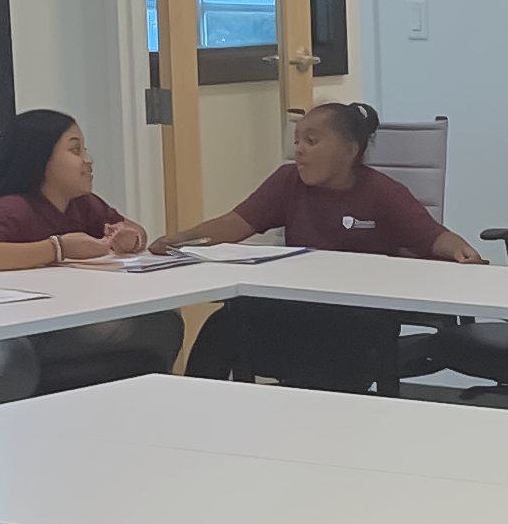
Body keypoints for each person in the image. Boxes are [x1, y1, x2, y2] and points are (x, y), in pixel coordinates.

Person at [160, 99, 483, 395]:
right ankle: (194, 404)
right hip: (297, 302)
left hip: (354, 313)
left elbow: (431, 236)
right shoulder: (287, 182)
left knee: (327, 351)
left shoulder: (384, 192)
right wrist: (180, 239)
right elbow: (235, 223)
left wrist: (461, 251)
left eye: (312, 142)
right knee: (225, 322)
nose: (299, 150)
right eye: (297, 141)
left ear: (350, 150)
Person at [0, 107, 180, 408]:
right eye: (75, 150)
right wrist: (58, 248)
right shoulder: (14, 207)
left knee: (161, 324)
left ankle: (150, 414)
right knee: (13, 360)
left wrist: (129, 239)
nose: (87, 161)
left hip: (44, 326)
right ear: (39, 159)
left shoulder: (83, 205)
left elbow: (134, 229)